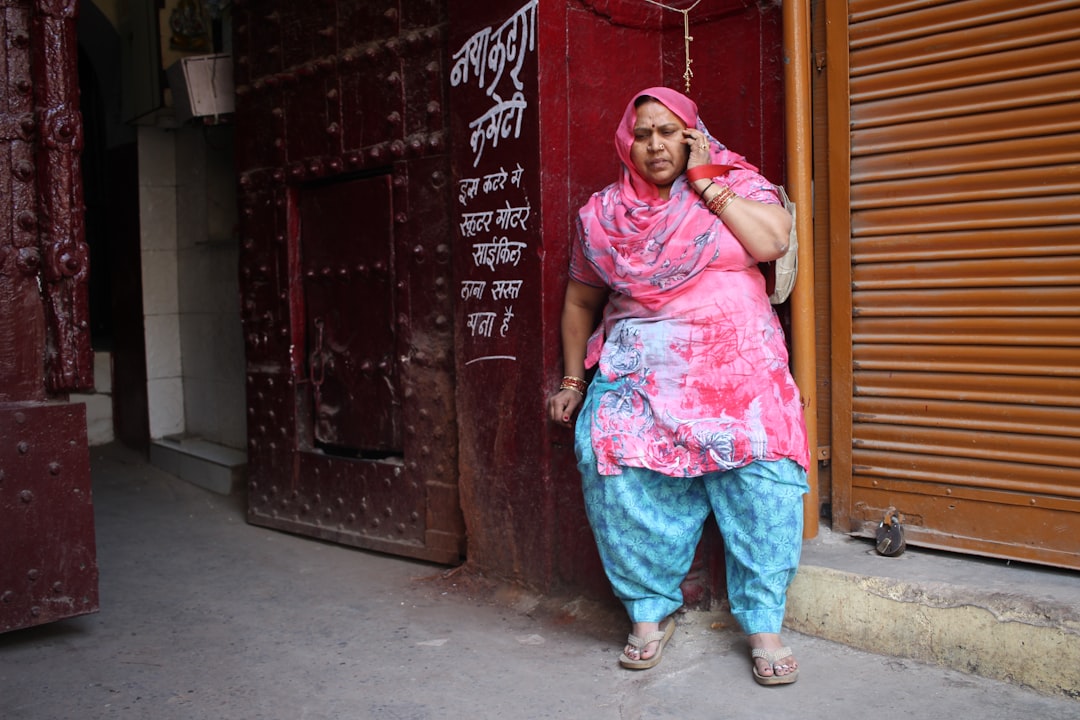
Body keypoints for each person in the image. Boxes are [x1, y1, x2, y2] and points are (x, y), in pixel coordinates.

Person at [547, 87, 810, 686]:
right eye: (643, 134)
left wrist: (705, 182)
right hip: (643, 372)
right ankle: (648, 609)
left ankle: (764, 623)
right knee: (607, 449)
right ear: (627, 142)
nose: (655, 144)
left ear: (692, 135)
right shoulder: (604, 215)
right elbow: (580, 300)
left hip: (740, 371)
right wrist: (572, 379)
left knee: (765, 474)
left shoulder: (734, 183)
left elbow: (771, 242)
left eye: (669, 131)